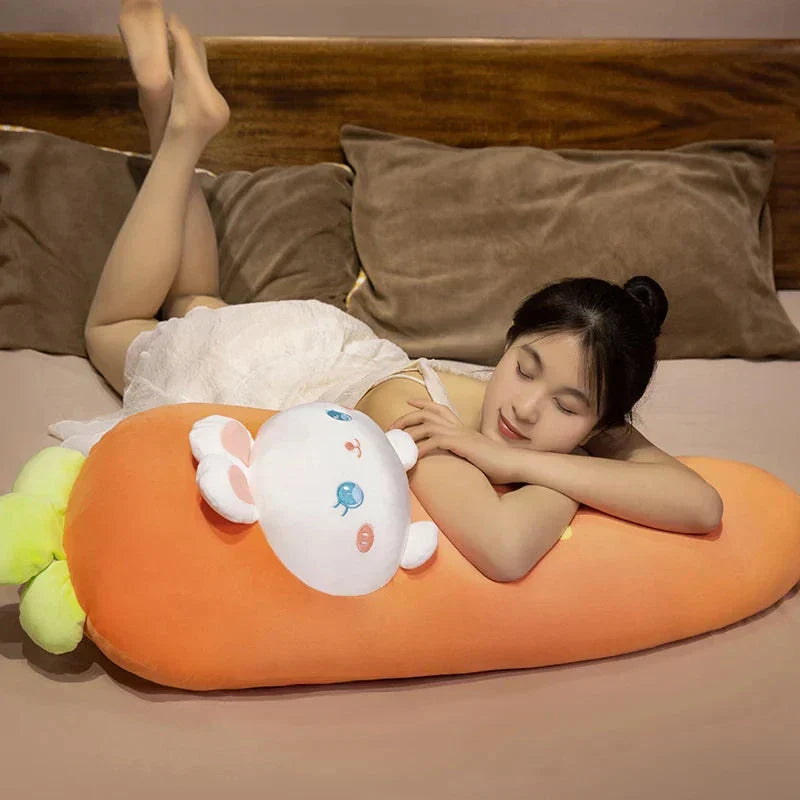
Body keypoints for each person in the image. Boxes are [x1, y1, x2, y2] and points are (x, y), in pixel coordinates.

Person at [85, 1, 723, 585]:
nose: (527, 409)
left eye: (565, 405)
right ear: (509, 344)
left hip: (324, 349)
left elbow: (701, 504)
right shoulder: (424, 424)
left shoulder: (557, 410)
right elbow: (503, 549)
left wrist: (523, 464)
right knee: (112, 329)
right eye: (524, 368)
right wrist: (567, 467)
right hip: (263, 366)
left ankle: (170, 112)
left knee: (195, 302)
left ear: (603, 422)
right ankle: (179, 135)